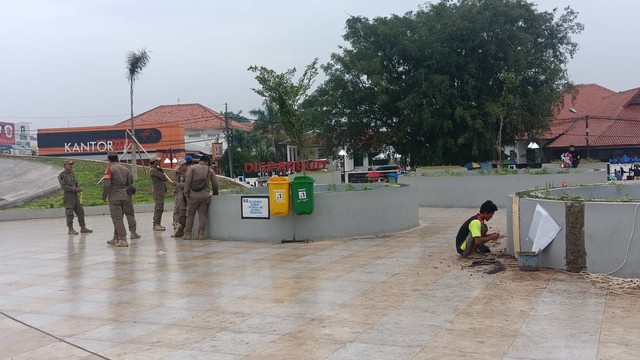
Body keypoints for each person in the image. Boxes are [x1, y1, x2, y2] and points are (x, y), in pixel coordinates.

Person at [102, 151, 134, 247]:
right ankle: (115, 238)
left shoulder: (110, 169)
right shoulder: (125, 169)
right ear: (117, 158)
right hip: (124, 196)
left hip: (114, 197)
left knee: (117, 219)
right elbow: (130, 182)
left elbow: (107, 185)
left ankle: (123, 239)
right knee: (119, 218)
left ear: (108, 160)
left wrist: (104, 196)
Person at [183, 154, 219, 240]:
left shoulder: (192, 168)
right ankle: (200, 234)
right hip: (204, 196)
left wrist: (186, 193)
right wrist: (215, 194)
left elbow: (187, 182)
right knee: (202, 215)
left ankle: (187, 234)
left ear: (200, 160)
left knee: (190, 215)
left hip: (193, 196)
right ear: (207, 162)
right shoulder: (210, 170)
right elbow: (215, 184)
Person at [58, 159, 92, 235]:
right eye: (69, 165)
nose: (71, 166)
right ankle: (70, 229)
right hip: (68, 197)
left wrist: (78, 187)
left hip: (75, 196)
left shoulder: (72, 174)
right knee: (69, 213)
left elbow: (75, 183)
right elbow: (64, 187)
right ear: (65, 166)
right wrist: (75, 189)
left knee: (81, 211)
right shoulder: (62, 175)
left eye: (71, 165)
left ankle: (83, 227)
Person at [149, 156, 171, 231]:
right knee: (159, 208)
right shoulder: (153, 170)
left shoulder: (156, 169)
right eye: (157, 161)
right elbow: (163, 177)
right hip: (158, 192)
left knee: (158, 208)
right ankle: (157, 224)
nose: (158, 162)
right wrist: (161, 171)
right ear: (154, 162)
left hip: (160, 192)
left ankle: (156, 224)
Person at [171, 159, 188, 238]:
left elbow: (187, 185)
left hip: (185, 196)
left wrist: (177, 184)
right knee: (179, 212)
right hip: (181, 195)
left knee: (182, 213)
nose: (179, 169)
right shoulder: (180, 173)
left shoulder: (188, 173)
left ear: (184, 166)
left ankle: (182, 231)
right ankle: (179, 230)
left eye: (180, 167)